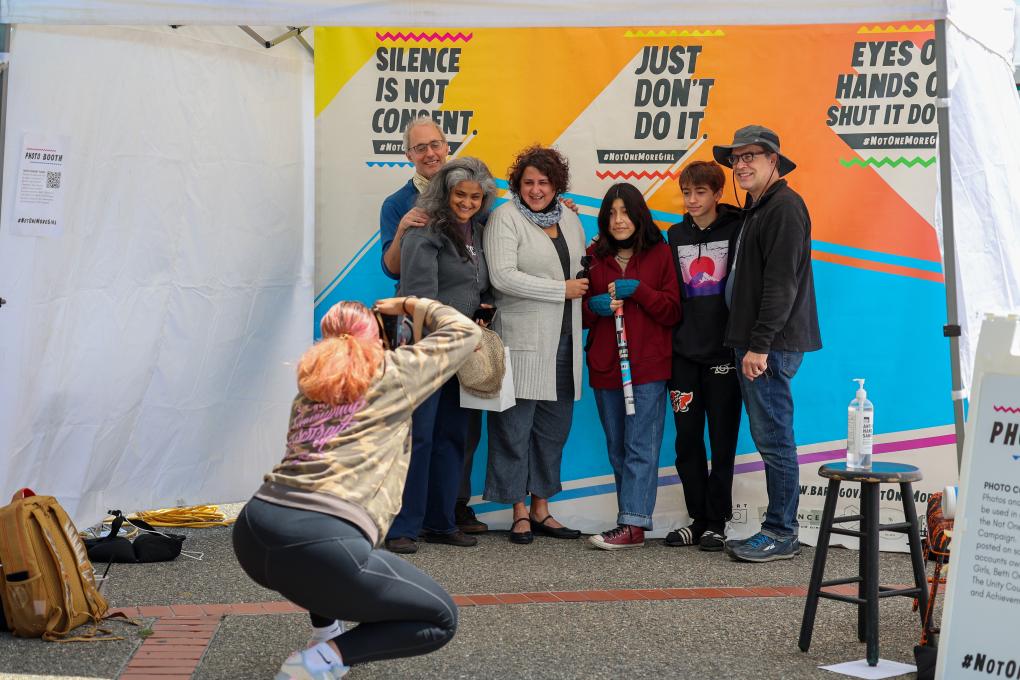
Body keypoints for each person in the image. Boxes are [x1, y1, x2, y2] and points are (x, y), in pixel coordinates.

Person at [232, 295, 480, 680]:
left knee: (322, 572)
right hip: (319, 542)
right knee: (440, 617)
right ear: (377, 339)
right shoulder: (393, 371)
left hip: (254, 533)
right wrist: (414, 304)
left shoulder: (311, 389)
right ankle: (318, 662)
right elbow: (465, 331)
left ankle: (324, 636)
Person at [712, 125, 821, 563]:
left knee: (775, 438)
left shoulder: (785, 208)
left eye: (751, 156)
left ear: (774, 160)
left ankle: (781, 531)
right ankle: (778, 528)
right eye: (736, 158)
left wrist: (759, 346)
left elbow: (781, 286)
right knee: (769, 435)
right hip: (756, 342)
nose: (741, 164)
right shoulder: (760, 207)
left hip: (767, 346)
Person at [378, 115, 488, 535]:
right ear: (409, 155)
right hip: (424, 341)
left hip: (460, 342)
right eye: (420, 147)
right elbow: (403, 280)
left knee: (453, 434)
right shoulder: (409, 214)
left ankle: (442, 521)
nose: (430, 153)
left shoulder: (474, 213)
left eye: (436, 145)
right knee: (417, 434)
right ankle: (405, 526)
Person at [482, 145, 587, 544]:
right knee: (514, 429)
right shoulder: (504, 218)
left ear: (556, 185)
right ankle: (518, 511)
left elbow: (584, 269)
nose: (536, 189)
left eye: (544, 182)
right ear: (517, 185)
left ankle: (542, 508)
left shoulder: (571, 221)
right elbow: (503, 277)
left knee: (553, 429)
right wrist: (560, 290)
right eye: (528, 182)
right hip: (522, 342)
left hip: (565, 342)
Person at [583, 183, 680, 550]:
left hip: (648, 366)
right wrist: (593, 307)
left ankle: (633, 523)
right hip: (607, 364)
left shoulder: (660, 254)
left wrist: (638, 290)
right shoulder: (594, 256)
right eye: (611, 213)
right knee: (617, 446)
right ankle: (630, 520)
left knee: (642, 445)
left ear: (639, 215)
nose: (618, 220)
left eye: (625, 212)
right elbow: (579, 313)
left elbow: (672, 311)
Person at [663, 161, 744, 552]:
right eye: (687, 192)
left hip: (724, 354)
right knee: (687, 441)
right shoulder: (674, 234)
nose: (692, 200)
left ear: (717, 194)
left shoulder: (738, 227)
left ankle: (717, 522)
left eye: (700, 192)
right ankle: (697, 520)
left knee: (722, 440)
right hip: (682, 355)